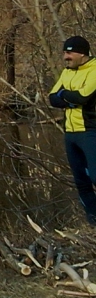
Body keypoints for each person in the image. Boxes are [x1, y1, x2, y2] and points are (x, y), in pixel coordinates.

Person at [48, 36, 96, 225]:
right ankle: (93, 221)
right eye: (64, 53)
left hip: (90, 130)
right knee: (81, 182)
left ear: (82, 54)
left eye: (69, 53)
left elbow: (83, 97)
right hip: (70, 133)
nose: (65, 57)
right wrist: (69, 99)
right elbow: (52, 97)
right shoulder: (67, 72)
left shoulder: (94, 69)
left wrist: (64, 95)